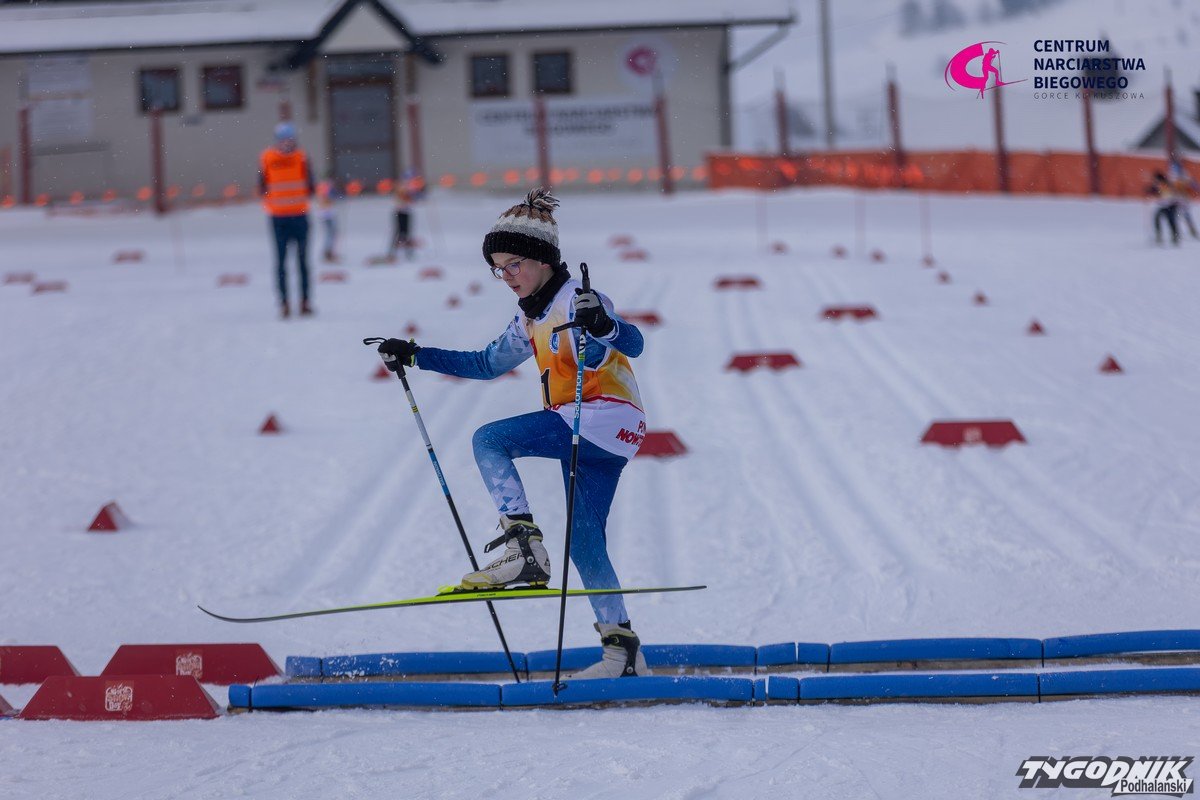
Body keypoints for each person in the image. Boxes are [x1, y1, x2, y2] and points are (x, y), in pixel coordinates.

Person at [375, 188, 651, 679]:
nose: (506, 277)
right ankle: (622, 652)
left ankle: (523, 548)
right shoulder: (531, 315)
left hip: (598, 417)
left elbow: (632, 342)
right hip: (610, 435)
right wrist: (416, 355)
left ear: (544, 260)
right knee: (585, 545)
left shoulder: (576, 300)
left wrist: (601, 326)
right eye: (498, 269)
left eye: (514, 265)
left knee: (490, 439)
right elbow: (486, 364)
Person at [259, 122, 315, 318]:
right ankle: (284, 303)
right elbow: (262, 185)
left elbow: (310, 185)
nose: (286, 143)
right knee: (281, 261)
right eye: (283, 140)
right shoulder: (267, 158)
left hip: (299, 216)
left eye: (289, 139)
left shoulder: (301, 158)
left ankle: (305, 301)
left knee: (302, 261)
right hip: (279, 218)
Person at [1167, 159, 1200, 240]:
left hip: (1183, 199)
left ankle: (1190, 231)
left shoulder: (1184, 178)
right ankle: (1177, 233)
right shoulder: (1174, 178)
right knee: (1177, 215)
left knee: (1184, 215)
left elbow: (1194, 185)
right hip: (1176, 199)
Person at [1148, 171, 1181, 246]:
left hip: (1171, 205)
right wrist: (1149, 191)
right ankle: (1159, 236)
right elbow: (1154, 191)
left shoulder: (1167, 184)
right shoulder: (1158, 185)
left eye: (1156, 179)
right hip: (1163, 205)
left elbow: (1172, 193)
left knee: (1171, 220)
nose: (1155, 180)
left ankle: (1175, 236)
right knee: (1157, 218)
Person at [316, 173, 342, 264]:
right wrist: (334, 198)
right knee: (330, 234)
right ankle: (328, 253)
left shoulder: (323, 186)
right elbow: (326, 199)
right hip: (326, 214)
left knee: (331, 233)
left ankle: (329, 252)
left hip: (326, 213)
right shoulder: (326, 187)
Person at [387, 184, 415, 261]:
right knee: (398, 232)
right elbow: (398, 203)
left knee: (406, 233)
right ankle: (393, 252)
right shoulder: (398, 195)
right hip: (399, 213)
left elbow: (411, 201)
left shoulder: (408, 195)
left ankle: (408, 252)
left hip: (406, 213)